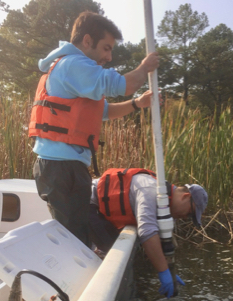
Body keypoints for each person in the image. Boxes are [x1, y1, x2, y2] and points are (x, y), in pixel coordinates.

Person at [29, 11, 159, 247]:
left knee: (77, 232)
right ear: (87, 41)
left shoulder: (73, 68)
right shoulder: (75, 64)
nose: (109, 56)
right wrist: (144, 67)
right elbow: (123, 84)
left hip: (63, 166)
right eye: (106, 48)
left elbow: (103, 111)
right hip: (61, 168)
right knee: (73, 238)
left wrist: (136, 104)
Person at [89, 168, 208, 298]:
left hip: (101, 213)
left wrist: (170, 270)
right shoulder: (150, 190)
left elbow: (163, 242)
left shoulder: (165, 208)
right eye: (190, 213)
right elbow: (147, 233)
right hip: (87, 202)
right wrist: (163, 271)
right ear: (186, 197)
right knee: (110, 250)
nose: (186, 217)